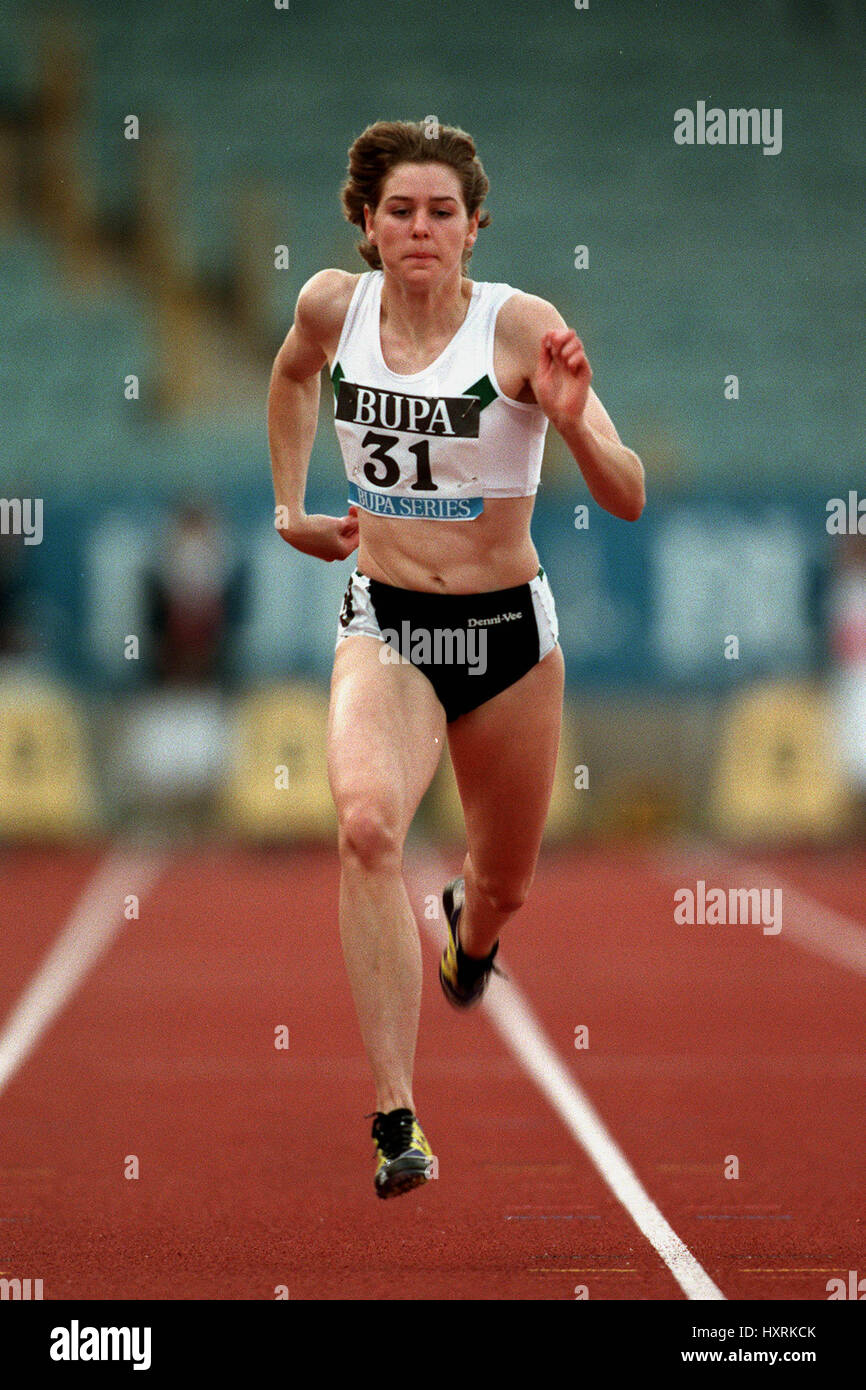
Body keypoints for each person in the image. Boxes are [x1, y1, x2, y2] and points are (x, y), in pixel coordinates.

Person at [268, 120, 645, 1199]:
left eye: (440, 211)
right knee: (366, 824)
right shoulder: (330, 309)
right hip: (385, 625)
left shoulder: (519, 325)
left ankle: (467, 935)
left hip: (507, 642)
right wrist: (289, 506)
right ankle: (396, 1116)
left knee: (503, 884)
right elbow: (293, 380)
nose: (419, 229)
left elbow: (625, 494)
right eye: (398, 211)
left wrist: (571, 424)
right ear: (365, 224)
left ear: (474, 226)